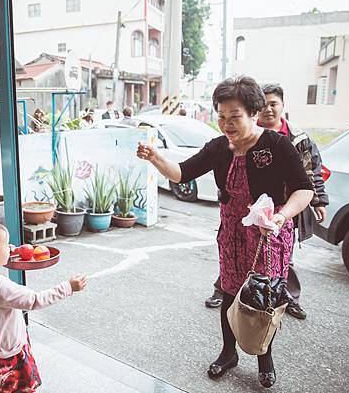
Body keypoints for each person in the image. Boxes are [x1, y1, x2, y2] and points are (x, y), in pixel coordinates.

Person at [137, 76, 313, 388]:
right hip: (232, 234)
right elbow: (182, 172)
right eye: (221, 116)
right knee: (231, 293)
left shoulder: (275, 145)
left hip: (267, 236)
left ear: (254, 113)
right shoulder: (219, 148)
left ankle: (264, 356)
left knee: (262, 298)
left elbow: (304, 190)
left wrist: (282, 216)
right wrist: (155, 158)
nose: (226, 123)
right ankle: (228, 353)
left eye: (235, 117)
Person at [204, 84, 329, 320]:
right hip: (237, 222)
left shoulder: (293, 139)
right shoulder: (236, 138)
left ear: (282, 106)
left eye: (274, 104)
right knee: (234, 271)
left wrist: (317, 200)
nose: (269, 109)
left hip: (279, 216)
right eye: (266, 104)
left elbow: (309, 175)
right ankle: (226, 294)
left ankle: (286, 299)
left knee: (272, 273)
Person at [0, 222, 87, 392]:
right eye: (6, 245)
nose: (11, 248)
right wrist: (68, 287)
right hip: (7, 355)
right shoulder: (0, 286)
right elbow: (35, 300)